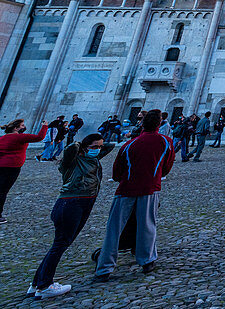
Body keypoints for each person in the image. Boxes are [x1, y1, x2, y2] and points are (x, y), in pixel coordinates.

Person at [29, 132, 116, 299]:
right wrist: (81, 145)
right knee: (60, 244)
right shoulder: (72, 161)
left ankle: (36, 284)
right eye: (94, 147)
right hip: (71, 203)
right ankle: (45, 285)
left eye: (99, 147)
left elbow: (110, 146)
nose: (97, 150)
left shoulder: (93, 159)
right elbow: (71, 148)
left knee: (61, 244)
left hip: (84, 203)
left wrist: (96, 146)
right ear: (84, 147)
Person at [94, 110, 175, 280]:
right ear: (159, 125)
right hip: (150, 189)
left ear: (142, 124)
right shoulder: (166, 142)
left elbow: (116, 173)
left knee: (114, 228)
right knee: (147, 225)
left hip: (125, 190)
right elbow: (167, 167)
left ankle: (104, 268)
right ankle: (147, 260)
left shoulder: (129, 144)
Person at [0, 118, 48, 223]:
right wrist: (45, 126)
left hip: (2, 166)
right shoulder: (19, 138)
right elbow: (39, 137)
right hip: (12, 167)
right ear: (16, 128)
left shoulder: (2, 138)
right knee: (3, 191)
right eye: (22, 125)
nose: (24, 127)